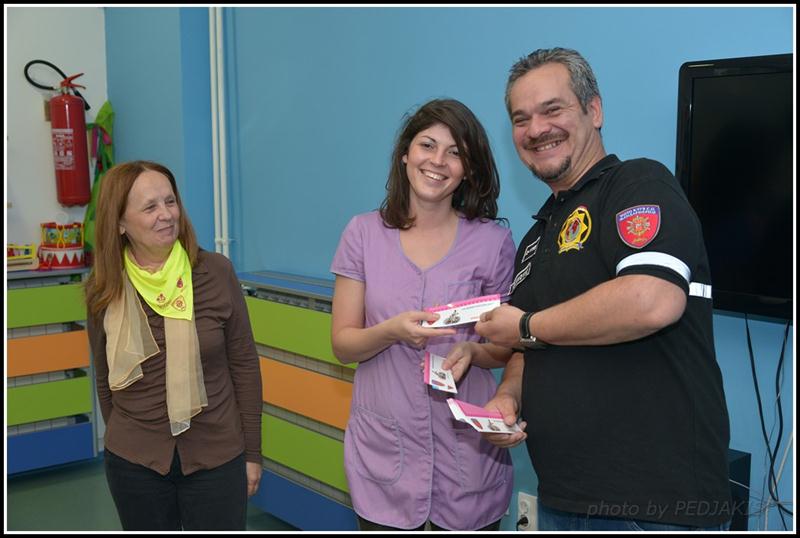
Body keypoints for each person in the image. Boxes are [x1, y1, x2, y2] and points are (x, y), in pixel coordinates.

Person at [475, 48, 732, 531]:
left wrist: (526, 325)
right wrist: (508, 397)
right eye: (521, 119)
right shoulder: (536, 237)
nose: (536, 129)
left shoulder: (637, 184)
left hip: (652, 507)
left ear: (594, 110)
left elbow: (652, 299)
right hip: (564, 498)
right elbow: (527, 349)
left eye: (552, 109)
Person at [330, 99, 516, 531]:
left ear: (469, 169)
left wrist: (473, 351)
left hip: (467, 460)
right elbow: (342, 344)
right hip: (385, 458)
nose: (437, 161)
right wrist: (392, 331)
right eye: (427, 145)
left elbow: (504, 349)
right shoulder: (362, 234)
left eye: (455, 152)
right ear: (405, 154)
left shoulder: (493, 243)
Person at [84, 161, 263, 531]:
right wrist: (127, 438)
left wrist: (253, 453)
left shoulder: (216, 272)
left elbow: (244, 365)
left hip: (217, 455)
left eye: (170, 201)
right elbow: (105, 377)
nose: (166, 215)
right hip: (135, 462)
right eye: (150, 207)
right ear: (120, 223)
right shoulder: (105, 286)